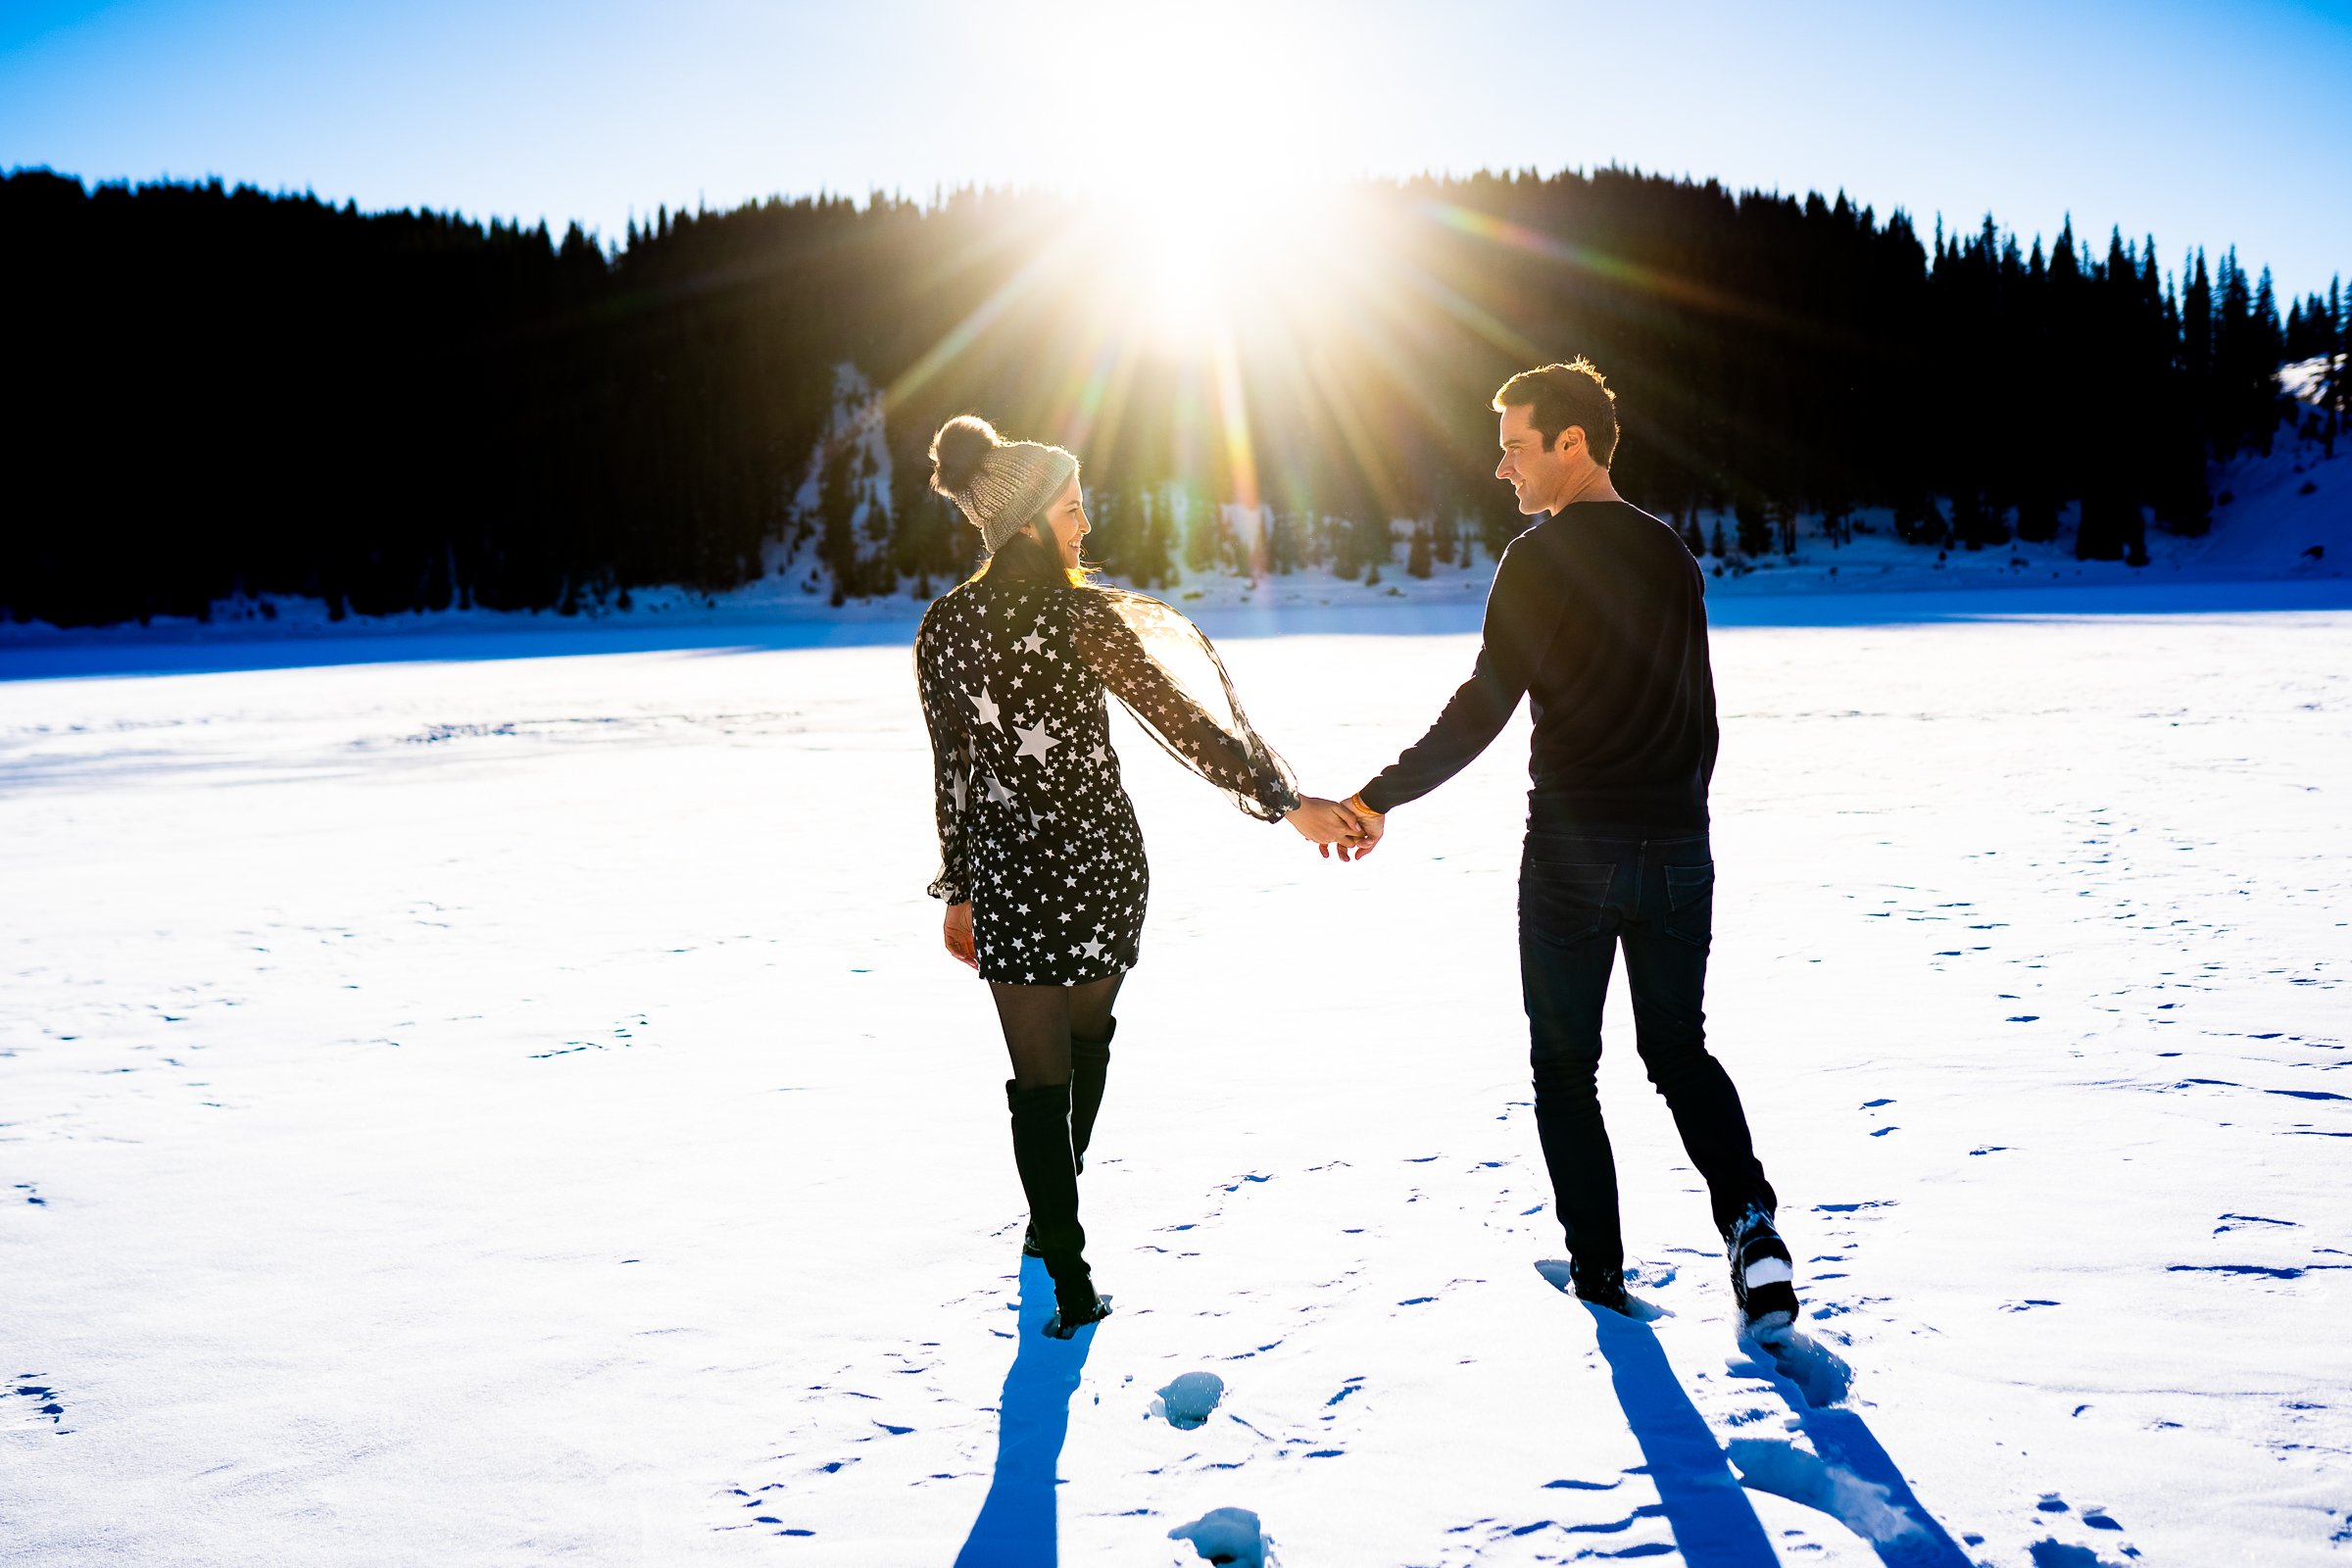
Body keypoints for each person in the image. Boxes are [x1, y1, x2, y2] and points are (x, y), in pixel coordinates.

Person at [1337, 359, 1799, 1338]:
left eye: (1514, 447)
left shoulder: (1538, 561)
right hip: (1677, 848)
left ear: (1572, 442)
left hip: (1572, 856)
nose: (1500, 469)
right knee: (1679, 1050)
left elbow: (1483, 708)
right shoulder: (1672, 556)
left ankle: (1600, 1276)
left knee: (1565, 1069)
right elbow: (1703, 721)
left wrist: (1379, 797)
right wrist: (1676, 819)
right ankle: (1751, 1226)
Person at [915, 415, 1362, 1338]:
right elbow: (1187, 725)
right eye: (1074, 508)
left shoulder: (946, 626)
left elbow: (950, 769)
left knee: (1039, 1074)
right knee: (1086, 1044)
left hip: (1006, 873)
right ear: (1031, 519)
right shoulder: (1081, 616)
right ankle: (1058, 1231)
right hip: (1095, 865)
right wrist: (1285, 802)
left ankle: (1061, 1253)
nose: (1087, 525)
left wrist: (959, 885)